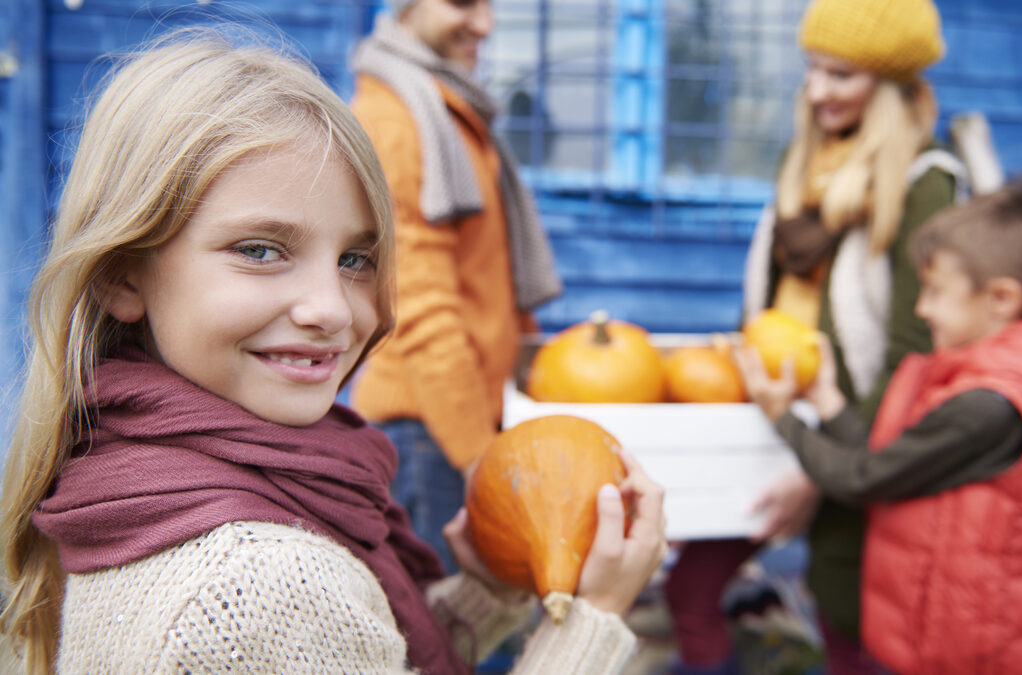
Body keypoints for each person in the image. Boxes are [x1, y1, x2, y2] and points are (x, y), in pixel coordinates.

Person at [0, 31, 666, 675]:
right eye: (260, 250)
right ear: (123, 273)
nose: (332, 308)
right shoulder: (263, 583)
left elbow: (357, 647)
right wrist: (594, 623)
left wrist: (486, 592)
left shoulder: (123, 470)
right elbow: (300, 627)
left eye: (356, 259)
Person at [665, 0, 967, 672]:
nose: (817, 90)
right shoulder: (805, 165)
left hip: (855, 435)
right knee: (690, 587)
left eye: (841, 75)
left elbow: (912, 352)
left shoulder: (926, 184)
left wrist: (820, 468)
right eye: (811, 70)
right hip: (772, 418)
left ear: (889, 84)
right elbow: (776, 302)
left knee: (846, 617)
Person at [736, 181, 1022, 675]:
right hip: (948, 638)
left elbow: (865, 478)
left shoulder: (991, 405)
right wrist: (830, 402)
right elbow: (895, 459)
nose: (921, 309)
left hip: (976, 655)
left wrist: (781, 418)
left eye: (936, 292)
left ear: (1002, 298)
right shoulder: (970, 376)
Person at [347, 0, 561, 573]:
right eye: (463, 3)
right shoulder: (397, 120)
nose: (486, 24)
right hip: (431, 436)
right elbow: (418, 308)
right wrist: (480, 459)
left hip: (461, 423)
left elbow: (485, 273)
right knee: (454, 640)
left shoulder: (449, 106)